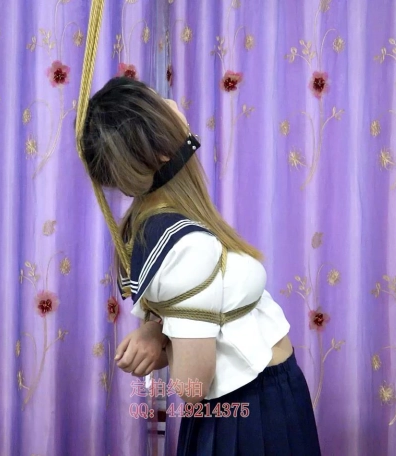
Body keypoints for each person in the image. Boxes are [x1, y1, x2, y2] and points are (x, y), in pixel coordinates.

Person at [79, 76, 321, 455]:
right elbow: (191, 385)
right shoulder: (184, 245)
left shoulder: (159, 223)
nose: (172, 103)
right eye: (160, 102)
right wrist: (163, 338)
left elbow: (186, 312)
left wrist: (158, 330)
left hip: (258, 404)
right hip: (250, 416)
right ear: (161, 151)